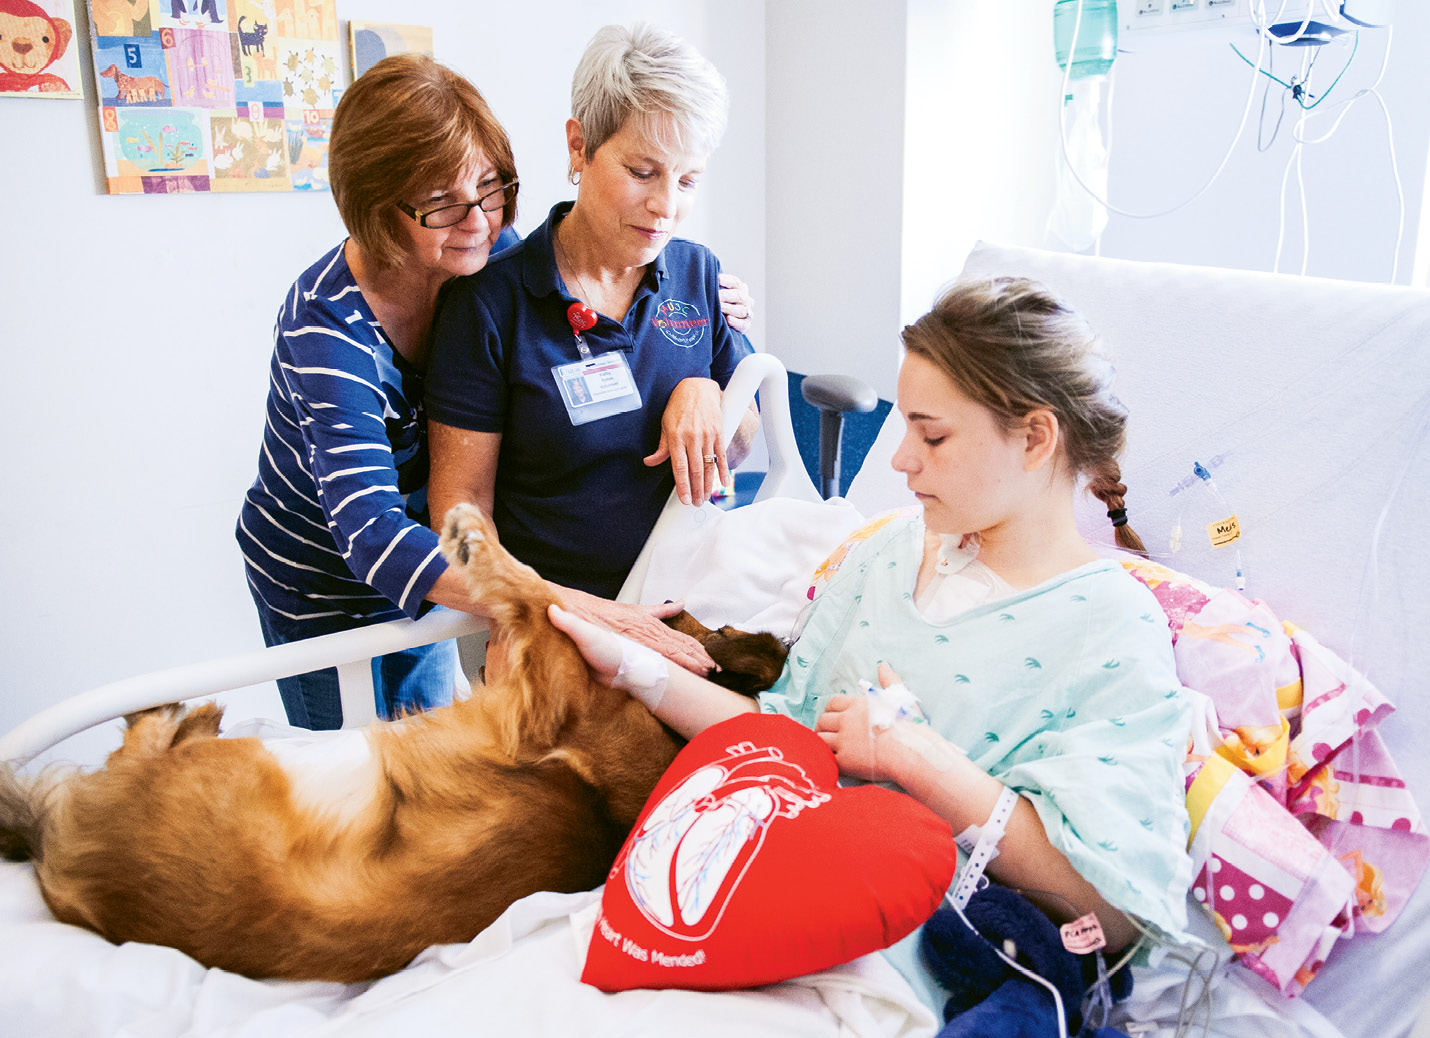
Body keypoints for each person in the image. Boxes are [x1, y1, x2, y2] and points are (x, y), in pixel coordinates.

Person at [549, 277, 1197, 1009]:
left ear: (1036, 438)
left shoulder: (1112, 622)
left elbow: (1109, 911)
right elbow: (785, 740)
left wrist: (917, 759)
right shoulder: (887, 551)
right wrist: (639, 670)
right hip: (762, 891)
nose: (899, 460)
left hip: (891, 964)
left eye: (933, 435)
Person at [236, 53, 754, 730]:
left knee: (428, 744)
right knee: (356, 773)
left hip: (445, 562)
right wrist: (548, 605)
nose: (479, 220)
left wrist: (704, 368)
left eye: (491, 187)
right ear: (374, 208)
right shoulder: (328, 330)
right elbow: (372, 536)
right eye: (443, 201)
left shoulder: (480, 254)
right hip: (328, 580)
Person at [425, 24, 760, 650]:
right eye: (642, 171)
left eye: (687, 181)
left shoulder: (697, 274)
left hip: (688, 611)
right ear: (579, 147)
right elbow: (459, 522)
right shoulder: (490, 306)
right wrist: (530, 624)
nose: (665, 206)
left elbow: (741, 449)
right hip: (558, 629)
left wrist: (706, 390)